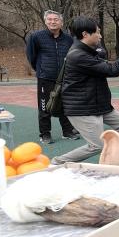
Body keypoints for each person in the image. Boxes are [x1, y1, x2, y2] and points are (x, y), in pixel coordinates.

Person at [51, 17, 119, 165]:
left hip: (98, 104)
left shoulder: (88, 51)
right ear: (85, 34)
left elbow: (104, 61)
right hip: (82, 108)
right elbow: (112, 70)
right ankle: (58, 162)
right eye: (97, 33)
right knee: (97, 145)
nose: (100, 36)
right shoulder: (78, 55)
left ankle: (112, 157)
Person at [25, 10, 79, 144]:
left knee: (65, 106)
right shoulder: (36, 37)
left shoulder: (68, 39)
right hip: (45, 78)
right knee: (44, 107)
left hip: (64, 78)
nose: (52, 22)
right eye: (49, 19)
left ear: (61, 22)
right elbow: (31, 56)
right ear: (45, 21)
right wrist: (41, 69)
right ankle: (45, 134)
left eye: (56, 19)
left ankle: (67, 131)